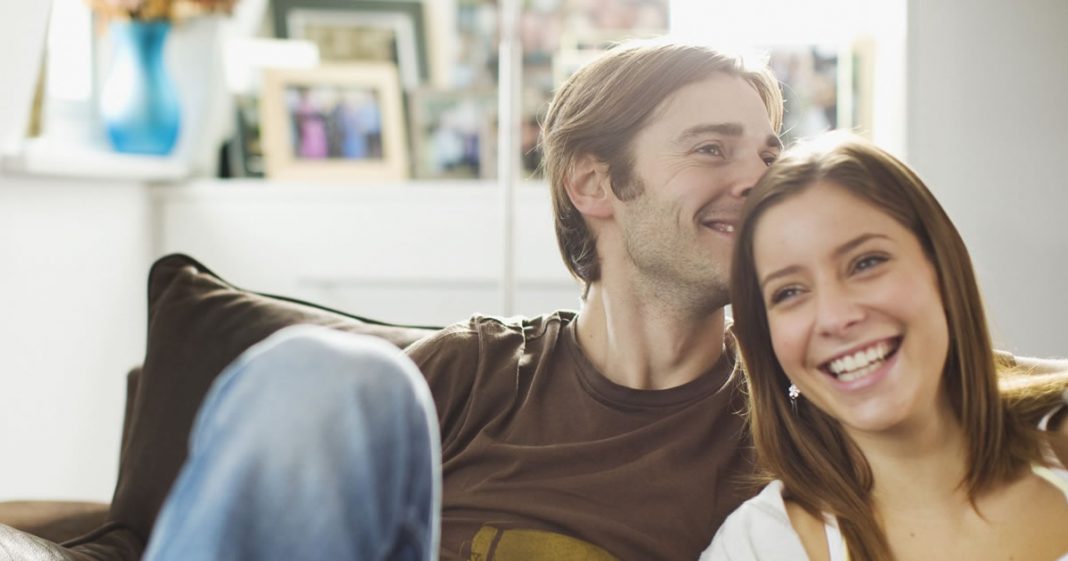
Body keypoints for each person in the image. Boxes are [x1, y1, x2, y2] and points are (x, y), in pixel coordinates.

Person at [140, 39, 784, 561]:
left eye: (768, 156)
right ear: (594, 183)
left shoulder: (785, 430)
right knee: (327, 372)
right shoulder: (469, 373)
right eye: (711, 149)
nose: (758, 180)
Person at [703, 133, 1068, 561]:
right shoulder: (758, 548)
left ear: (941, 268)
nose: (837, 317)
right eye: (789, 292)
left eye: (866, 263)